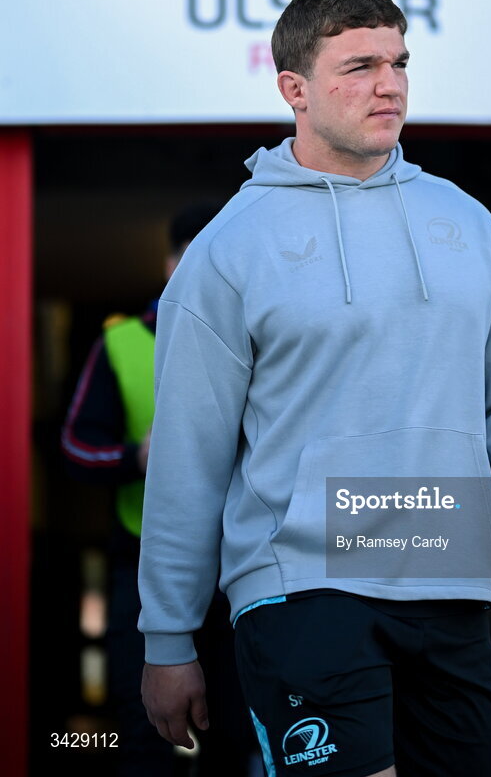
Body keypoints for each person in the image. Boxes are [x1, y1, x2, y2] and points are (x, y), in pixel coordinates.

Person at [138, 0, 491, 777]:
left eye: (399, 62)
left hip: (449, 575)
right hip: (301, 586)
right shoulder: (229, 251)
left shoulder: (469, 227)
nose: (390, 83)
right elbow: (188, 459)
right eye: (359, 65)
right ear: (293, 89)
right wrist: (168, 639)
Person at [62, 205, 256, 777]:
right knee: (145, 739)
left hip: (240, 571)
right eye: (193, 260)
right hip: (143, 568)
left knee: (234, 735)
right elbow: (74, 445)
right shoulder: (122, 343)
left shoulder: (258, 335)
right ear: (171, 264)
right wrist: (138, 456)